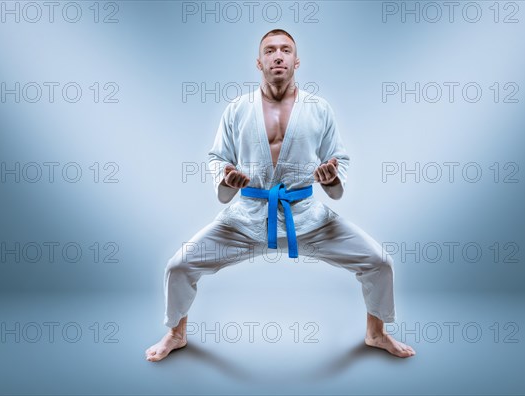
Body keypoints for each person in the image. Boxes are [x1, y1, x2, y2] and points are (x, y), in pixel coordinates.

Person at [146, 29, 416, 361]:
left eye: (286, 50)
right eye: (270, 50)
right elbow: (218, 158)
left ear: (296, 61)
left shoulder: (318, 108)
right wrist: (227, 178)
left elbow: (339, 158)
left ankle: (376, 333)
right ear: (258, 62)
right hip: (246, 217)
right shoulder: (237, 109)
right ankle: (176, 333)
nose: (278, 55)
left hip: (306, 217)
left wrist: (331, 177)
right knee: (179, 266)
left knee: (379, 262)